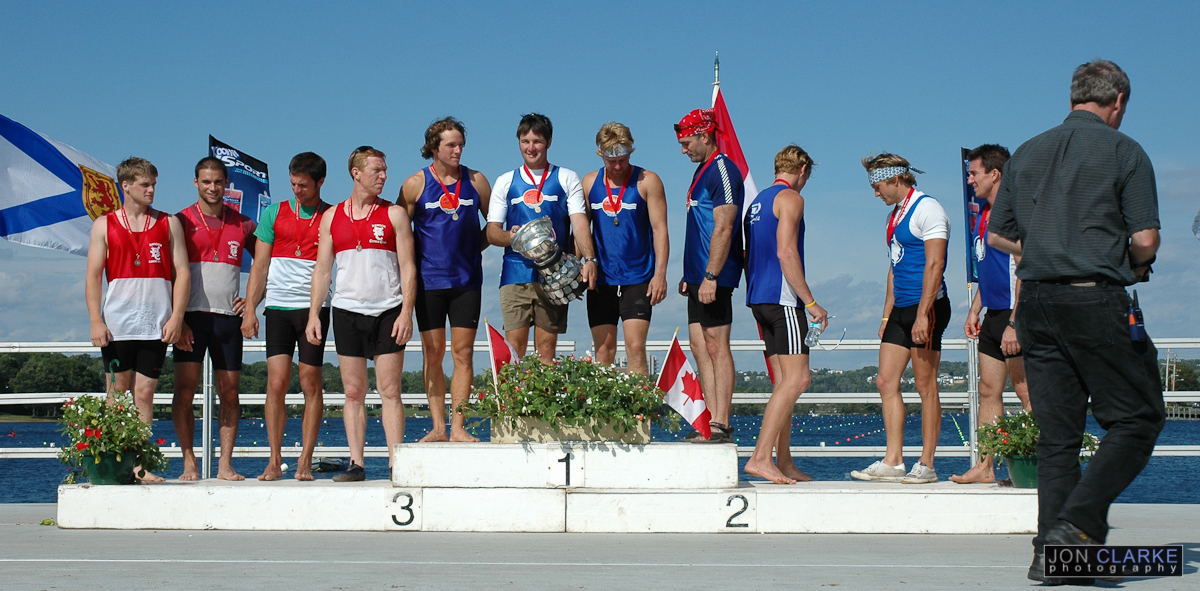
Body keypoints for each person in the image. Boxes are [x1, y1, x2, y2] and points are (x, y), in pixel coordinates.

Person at [987, 60, 1164, 584]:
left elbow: (998, 234)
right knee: (1138, 418)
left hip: (1037, 303)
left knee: (1058, 436)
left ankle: (1053, 557)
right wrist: (1129, 262)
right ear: (1118, 102)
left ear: (1072, 97)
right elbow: (1146, 240)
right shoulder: (1125, 151)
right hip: (1095, 298)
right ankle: (1077, 526)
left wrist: (1049, 249)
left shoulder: (1027, 152)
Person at [306, 146, 417, 482]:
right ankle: (357, 464)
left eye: (384, 170)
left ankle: (397, 464)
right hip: (347, 310)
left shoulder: (394, 214)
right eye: (376, 170)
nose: (383, 176)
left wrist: (406, 313)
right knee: (353, 391)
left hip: (388, 310)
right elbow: (322, 269)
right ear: (356, 173)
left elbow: (408, 267)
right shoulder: (332, 216)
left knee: (390, 390)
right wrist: (314, 314)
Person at [85, 157, 189, 483]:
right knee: (117, 393)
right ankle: (115, 462)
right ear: (126, 186)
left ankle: (139, 466)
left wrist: (177, 316)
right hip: (117, 323)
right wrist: (95, 320)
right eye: (145, 184)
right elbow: (93, 276)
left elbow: (182, 272)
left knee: (144, 394)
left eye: (154, 184)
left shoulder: (168, 222)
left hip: (156, 323)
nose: (152, 190)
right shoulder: (104, 225)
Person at [850, 153, 950, 484]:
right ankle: (893, 461)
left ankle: (927, 464)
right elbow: (894, 267)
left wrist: (923, 315)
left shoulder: (928, 208)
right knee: (885, 381)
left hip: (928, 307)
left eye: (878, 187)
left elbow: (935, 264)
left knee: (925, 385)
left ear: (896, 180)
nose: (875, 194)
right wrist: (885, 316)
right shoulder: (894, 216)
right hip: (900, 309)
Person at [398, 118, 490, 442]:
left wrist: (472, 248)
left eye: (461, 144)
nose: (458, 150)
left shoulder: (477, 180)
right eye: (451, 145)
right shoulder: (414, 184)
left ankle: (458, 427)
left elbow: (494, 226)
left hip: (467, 281)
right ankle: (438, 427)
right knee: (433, 353)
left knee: (463, 354)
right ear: (433, 148)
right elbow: (399, 233)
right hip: (429, 282)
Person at [242, 152, 332, 481]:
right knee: (276, 383)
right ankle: (274, 459)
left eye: (303, 185)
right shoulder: (274, 213)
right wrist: (250, 308)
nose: (297, 190)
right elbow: (260, 266)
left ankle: (305, 460)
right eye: (293, 184)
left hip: (313, 309)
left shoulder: (330, 215)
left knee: (310, 381)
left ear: (320, 182)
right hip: (278, 307)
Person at [742, 145, 828, 483]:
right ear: (803, 169)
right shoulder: (791, 198)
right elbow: (786, 253)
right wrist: (811, 302)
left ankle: (784, 461)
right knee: (798, 379)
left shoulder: (758, 201)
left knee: (784, 384)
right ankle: (761, 457)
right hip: (783, 300)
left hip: (759, 298)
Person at [485, 113, 597, 363]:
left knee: (546, 350)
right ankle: (513, 392)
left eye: (537, 141)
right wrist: (513, 237)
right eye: (525, 141)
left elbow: (579, 221)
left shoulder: (566, 177)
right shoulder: (506, 181)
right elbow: (492, 232)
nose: (531, 148)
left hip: (555, 274)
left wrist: (589, 259)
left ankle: (545, 391)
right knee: (514, 350)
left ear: (549, 142)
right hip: (516, 272)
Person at [951, 144, 1032, 485]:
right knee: (988, 390)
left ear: (995, 174)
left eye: (974, 173)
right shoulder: (984, 213)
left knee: (1026, 392)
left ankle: (1037, 467)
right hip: (994, 313)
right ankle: (986, 466)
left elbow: (1026, 268)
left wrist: (1015, 322)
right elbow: (989, 266)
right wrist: (975, 309)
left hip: (1017, 313)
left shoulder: (1015, 212)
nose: (970, 180)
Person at [172, 157, 256, 481]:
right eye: (206, 181)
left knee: (230, 393)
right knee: (185, 392)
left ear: (226, 184)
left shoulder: (243, 223)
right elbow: (168, 272)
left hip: (227, 319)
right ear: (196, 182)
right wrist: (177, 319)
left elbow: (265, 263)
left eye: (218, 181)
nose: (212, 187)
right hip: (191, 319)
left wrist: (251, 301)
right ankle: (189, 461)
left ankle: (225, 465)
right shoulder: (180, 221)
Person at [674, 108, 744, 443]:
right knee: (699, 345)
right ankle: (709, 418)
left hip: (715, 275)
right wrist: (690, 274)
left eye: (687, 143)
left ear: (705, 136)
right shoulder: (701, 170)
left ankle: (722, 422)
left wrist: (712, 275)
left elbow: (725, 226)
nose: (683, 150)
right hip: (697, 276)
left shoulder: (723, 170)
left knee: (717, 345)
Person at [581, 122, 669, 375]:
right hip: (602, 278)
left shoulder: (648, 180)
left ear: (631, 152)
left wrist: (660, 275)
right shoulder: (589, 182)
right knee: (603, 352)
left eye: (623, 159)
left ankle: (640, 402)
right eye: (612, 161)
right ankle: (602, 402)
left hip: (638, 277)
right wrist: (578, 266)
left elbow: (660, 230)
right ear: (601, 155)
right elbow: (581, 230)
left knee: (635, 348)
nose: (618, 166)